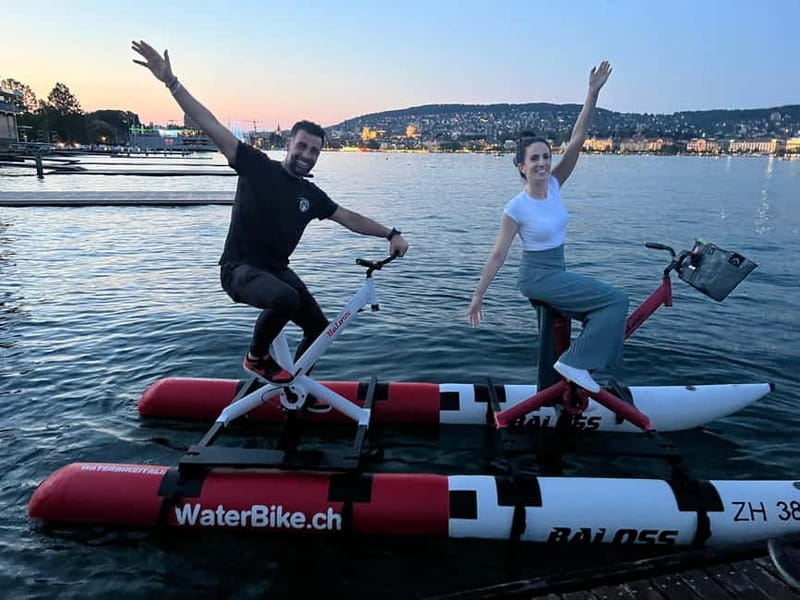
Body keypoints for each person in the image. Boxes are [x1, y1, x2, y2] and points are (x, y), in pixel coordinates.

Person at [132, 40, 409, 384]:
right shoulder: (257, 167)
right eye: (302, 145)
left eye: (315, 150)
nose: (307, 154)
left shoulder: (310, 195)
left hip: (276, 270)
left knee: (318, 329)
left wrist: (390, 233)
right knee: (285, 299)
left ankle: (294, 387)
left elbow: (350, 218)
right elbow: (212, 125)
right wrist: (172, 83)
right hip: (239, 270)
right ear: (289, 143)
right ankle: (256, 356)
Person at [466, 61, 626, 393]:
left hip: (558, 270)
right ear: (521, 166)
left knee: (596, 311)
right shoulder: (515, 208)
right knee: (616, 301)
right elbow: (498, 255)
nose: (542, 163)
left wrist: (592, 93)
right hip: (537, 276)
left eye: (546, 156)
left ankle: (555, 388)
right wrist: (478, 297)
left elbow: (578, 138)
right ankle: (575, 363)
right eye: (534, 159)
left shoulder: (554, 184)